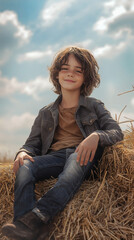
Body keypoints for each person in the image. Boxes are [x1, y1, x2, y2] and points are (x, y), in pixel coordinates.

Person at [2, 46, 123, 240]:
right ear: (57, 74)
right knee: (24, 166)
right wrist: (22, 153)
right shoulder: (45, 113)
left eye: (78, 70)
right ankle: (24, 226)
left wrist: (96, 136)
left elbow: (116, 132)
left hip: (83, 157)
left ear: (86, 78)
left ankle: (38, 217)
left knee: (75, 159)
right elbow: (31, 144)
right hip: (55, 158)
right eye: (65, 68)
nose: (70, 74)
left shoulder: (94, 105)